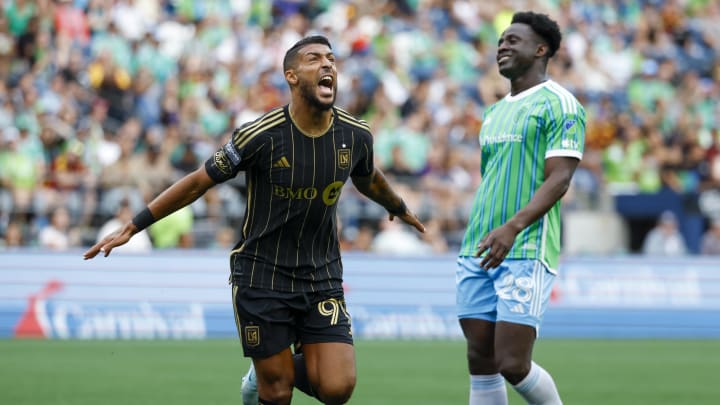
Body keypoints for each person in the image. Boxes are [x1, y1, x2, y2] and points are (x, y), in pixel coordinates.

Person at [83, 35, 425, 405]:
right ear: (292, 76)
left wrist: (398, 206)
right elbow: (199, 181)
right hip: (263, 276)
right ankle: (267, 372)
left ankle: (269, 366)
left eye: (331, 58)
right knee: (275, 395)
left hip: (321, 274)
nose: (328, 65)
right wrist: (134, 226)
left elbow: (368, 177)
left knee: (337, 388)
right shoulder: (259, 135)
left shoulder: (356, 135)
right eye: (314, 59)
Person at [456, 12, 585, 405]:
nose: (503, 46)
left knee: (512, 362)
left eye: (513, 40)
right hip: (479, 246)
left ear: (541, 49)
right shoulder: (494, 112)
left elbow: (559, 179)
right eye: (500, 41)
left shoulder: (561, 104)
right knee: (480, 359)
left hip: (524, 246)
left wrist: (512, 227)